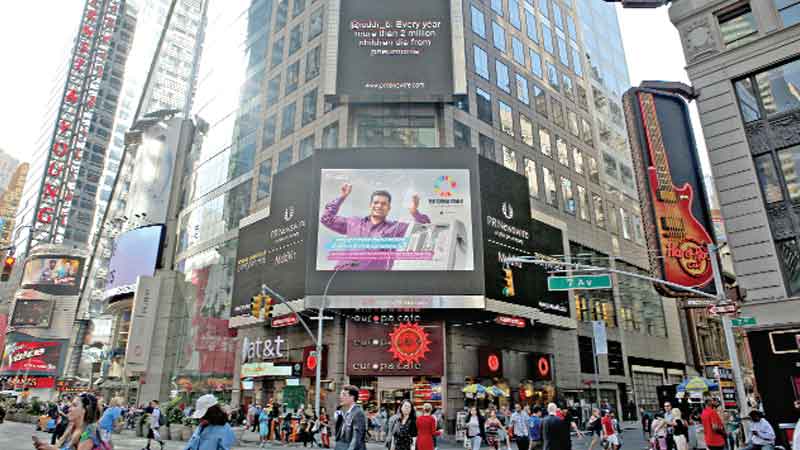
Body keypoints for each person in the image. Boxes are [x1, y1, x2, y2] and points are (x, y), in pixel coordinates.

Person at [320, 183, 431, 271]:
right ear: (370, 205)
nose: (379, 206)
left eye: (383, 204)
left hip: (375, 284)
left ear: (389, 208)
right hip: (344, 278)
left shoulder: (396, 228)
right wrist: (342, 197)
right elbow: (326, 218)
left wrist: (414, 212)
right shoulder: (353, 222)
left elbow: (425, 228)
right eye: (376, 202)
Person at [32, 393, 103, 450]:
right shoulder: (72, 427)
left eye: (74, 405)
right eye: (71, 405)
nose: (69, 409)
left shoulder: (88, 433)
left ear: (84, 410)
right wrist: (45, 445)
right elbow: (61, 447)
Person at [334, 385, 367, 450]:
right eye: (340, 394)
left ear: (352, 397)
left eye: (344, 395)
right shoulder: (347, 412)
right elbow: (340, 435)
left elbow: (356, 438)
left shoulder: (358, 413)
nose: (341, 397)